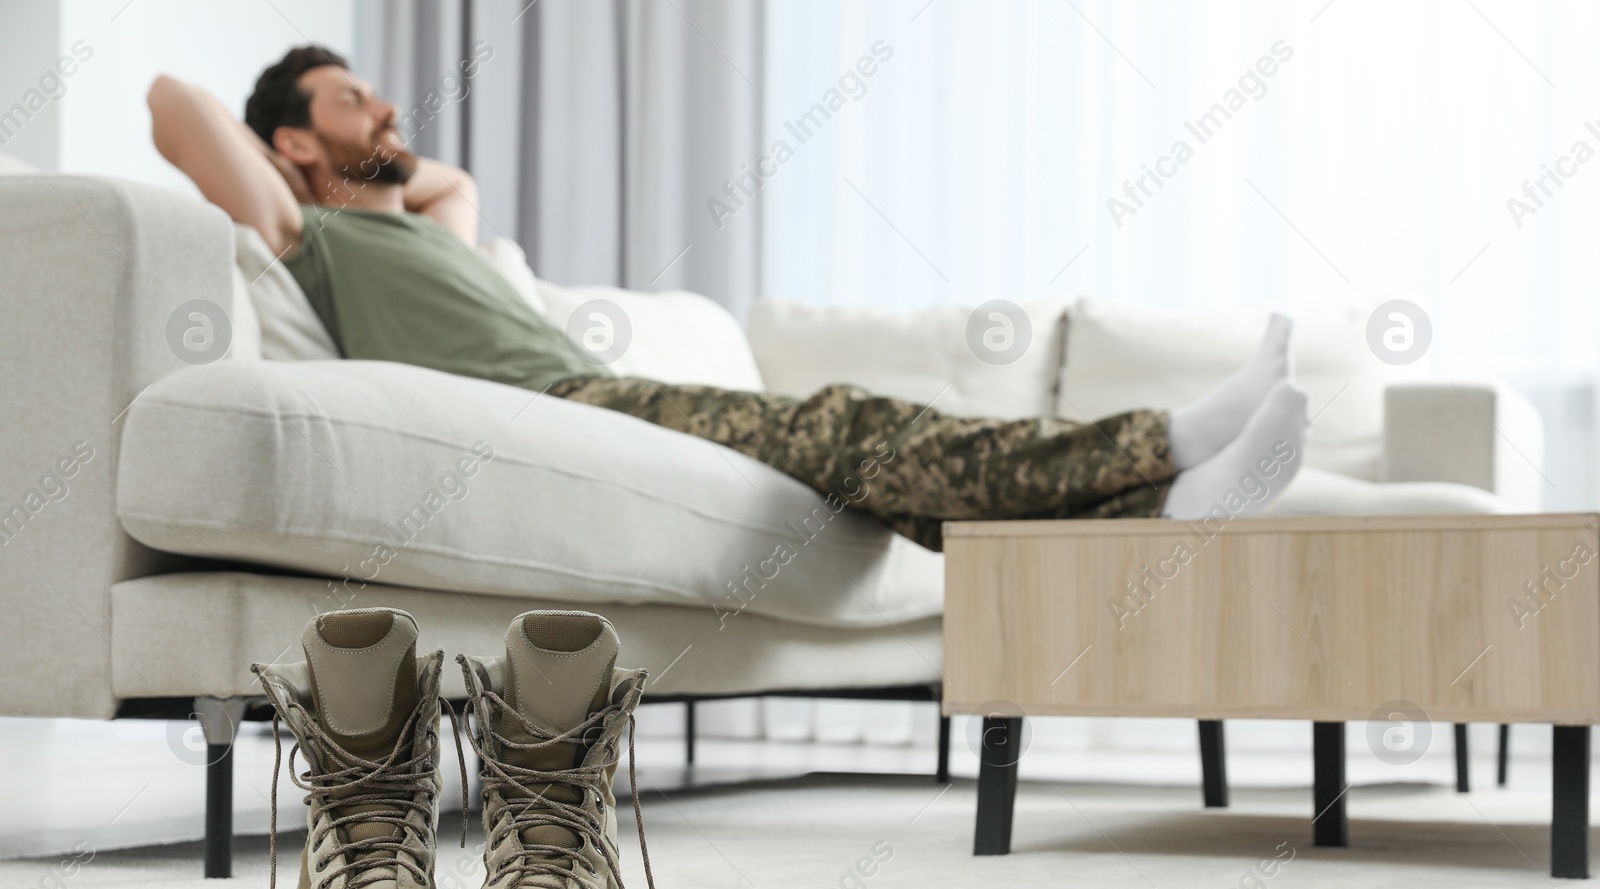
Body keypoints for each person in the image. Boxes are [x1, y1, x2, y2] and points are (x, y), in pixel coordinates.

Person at [148, 45, 1307, 552]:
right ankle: (1163, 442)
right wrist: (299, 153)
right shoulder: (314, 240)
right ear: (293, 141)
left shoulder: (432, 228)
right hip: (564, 399)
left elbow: (454, 180)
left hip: (598, 392)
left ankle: (1157, 506)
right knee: (842, 422)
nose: (390, 112)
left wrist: (367, 142)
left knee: (875, 475)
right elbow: (170, 101)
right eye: (355, 101)